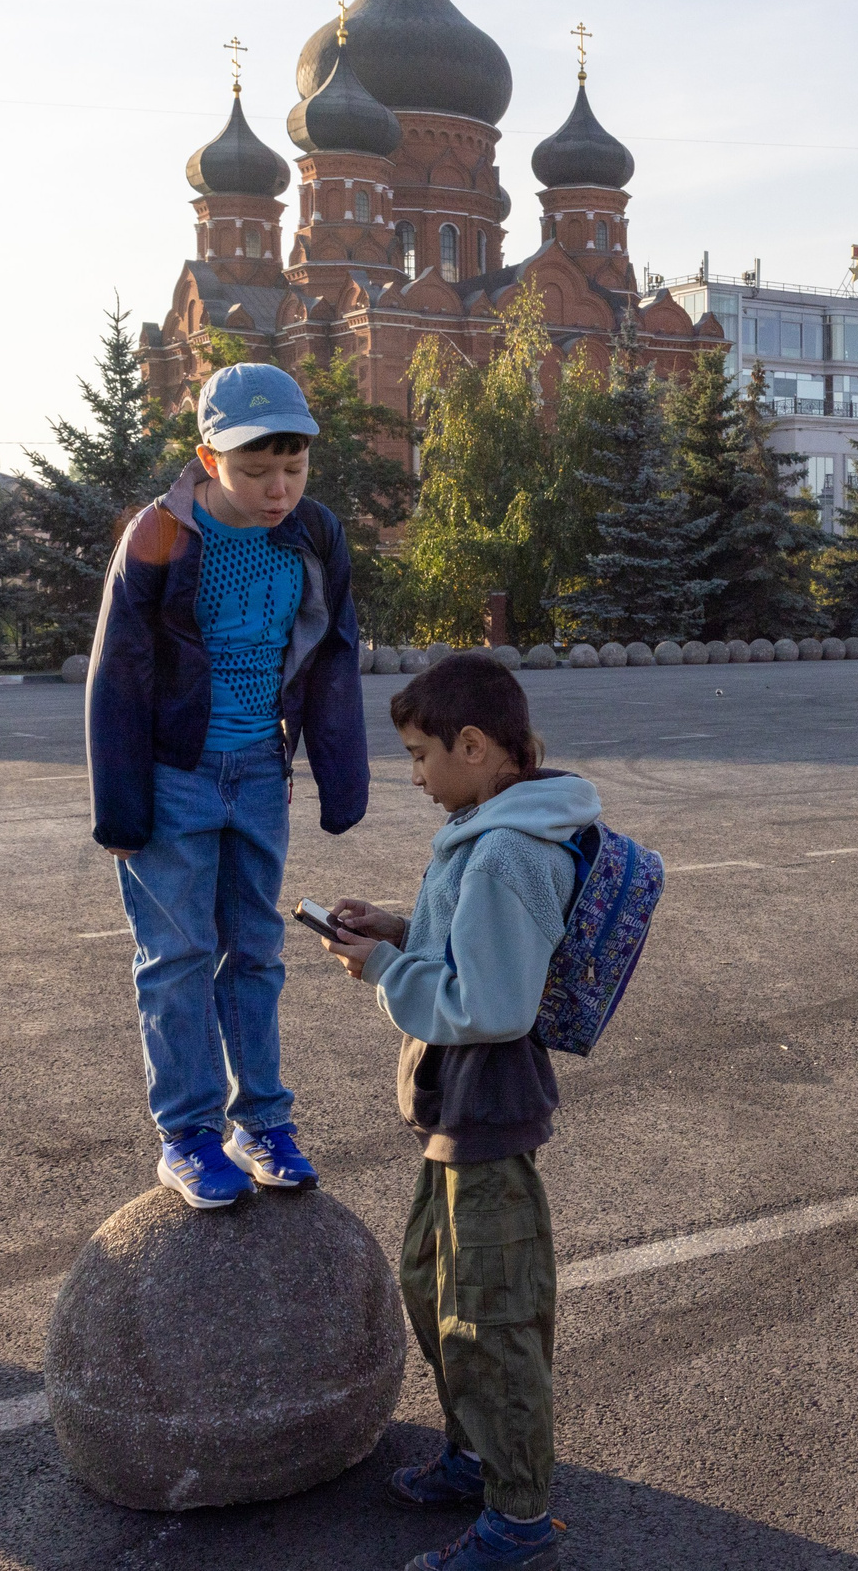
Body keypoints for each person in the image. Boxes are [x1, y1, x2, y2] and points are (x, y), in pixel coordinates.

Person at [320, 652, 594, 1571]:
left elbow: (497, 1002)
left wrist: (388, 969)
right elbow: (469, 943)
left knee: (492, 1316)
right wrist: (398, 928)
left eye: (419, 754)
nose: (416, 775)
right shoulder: (489, 825)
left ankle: (519, 1519)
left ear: (473, 746)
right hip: (455, 1115)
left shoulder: (512, 848)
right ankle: (476, 1455)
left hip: (489, 1115)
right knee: (431, 1287)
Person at [87, 362, 368, 1210]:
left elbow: (335, 652)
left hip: (258, 774)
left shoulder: (313, 535)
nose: (278, 488)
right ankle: (188, 1137)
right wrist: (122, 808)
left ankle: (262, 1123)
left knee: (256, 952)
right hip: (172, 779)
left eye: (293, 467)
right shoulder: (158, 536)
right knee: (176, 958)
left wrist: (338, 775)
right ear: (209, 459)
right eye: (254, 470)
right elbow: (118, 673)